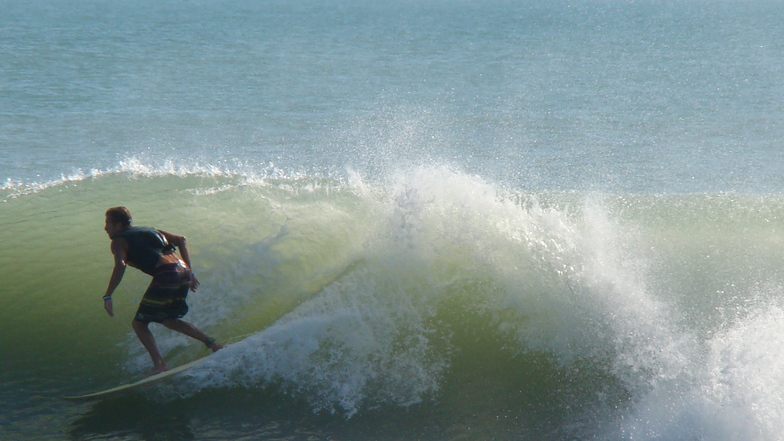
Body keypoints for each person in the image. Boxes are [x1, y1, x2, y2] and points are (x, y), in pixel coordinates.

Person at [102, 206, 223, 376]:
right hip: (184, 272)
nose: (105, 227)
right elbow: (181, 239)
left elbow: (120, 265)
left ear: (118, 225)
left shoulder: (119, 241)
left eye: (108, 223)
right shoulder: (152, 231)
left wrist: (108, 294)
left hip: (166, 274)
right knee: (168, 320)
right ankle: (213, 344)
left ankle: (159, 364)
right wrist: (190, 271)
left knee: (139, 323)